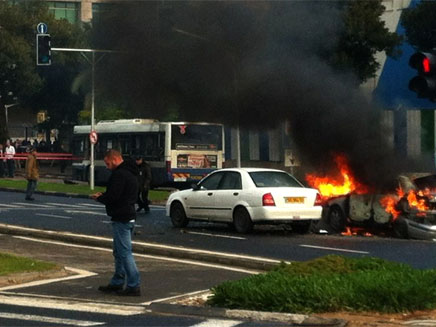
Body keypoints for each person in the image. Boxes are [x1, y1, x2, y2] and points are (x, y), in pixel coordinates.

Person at [91, 149, 141, 296]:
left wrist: (100, 198)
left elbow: (114, 196)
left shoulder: (119, 175)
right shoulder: (132, 173)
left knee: (124, 253)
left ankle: (133, 284)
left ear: (114, 159)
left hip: (121, 216)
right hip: (129, 213)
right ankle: (117, 281)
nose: (107, 166)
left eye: (107, 163)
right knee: (119, 252)